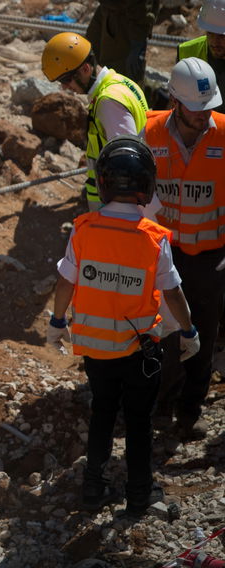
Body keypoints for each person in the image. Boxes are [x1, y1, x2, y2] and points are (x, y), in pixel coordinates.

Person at [47, 137, 199, 516]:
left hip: (96, 350)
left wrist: (56, 321)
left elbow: (66, 281)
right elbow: (173, 292)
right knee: (138, 422)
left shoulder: (84, 229)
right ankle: (138, 495)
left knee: (101, 414)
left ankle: (92, 489)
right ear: (146, 187)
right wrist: (189, 330)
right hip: (138, 351)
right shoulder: (152, 238)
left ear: (103, 183)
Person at [142, 58, 221, 442]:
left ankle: (191, 411)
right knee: (166, 335)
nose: (204, 116)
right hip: (164, 253)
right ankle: (161, 405)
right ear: (175, 100)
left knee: (203, 335)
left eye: (210, 108)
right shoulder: (149, 132)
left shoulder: (223, 134)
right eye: (196, 109)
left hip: (211, 257)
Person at [41, 31, 148, 209]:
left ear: (85, 69)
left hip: (117, 207)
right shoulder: (121, 82)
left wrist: (118, 214)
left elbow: (129, 166)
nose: (65, 87)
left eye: (67, 80)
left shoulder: (108, 102)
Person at [175, 0, 225, 105]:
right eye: (210, 33)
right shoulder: (188, 53)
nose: (214, 42)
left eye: (222, 36)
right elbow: (177, 102)